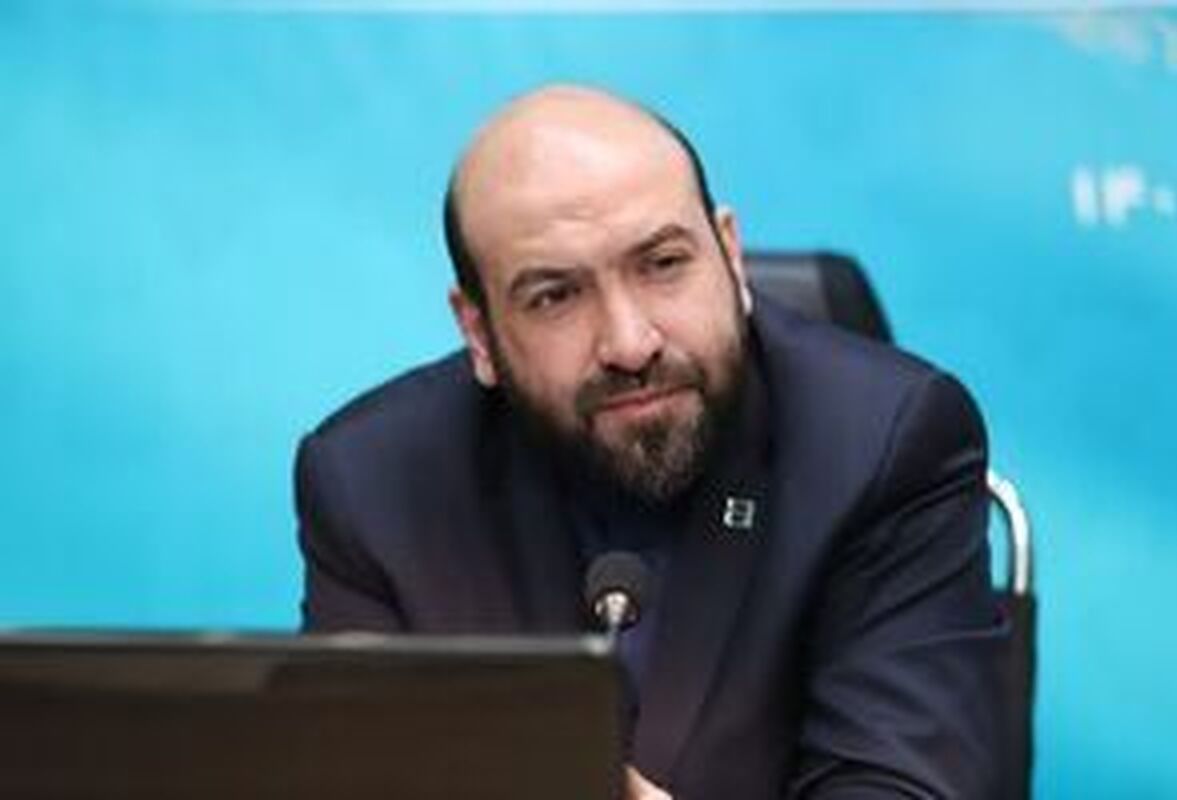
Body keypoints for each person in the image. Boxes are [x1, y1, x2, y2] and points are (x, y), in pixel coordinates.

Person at [294, 84, 1007, 799]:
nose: (630, 344)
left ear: (730, 255)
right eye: (554, 296)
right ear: (478, 332)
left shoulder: (885, 442)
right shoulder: (371, 482)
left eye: (663, 264)